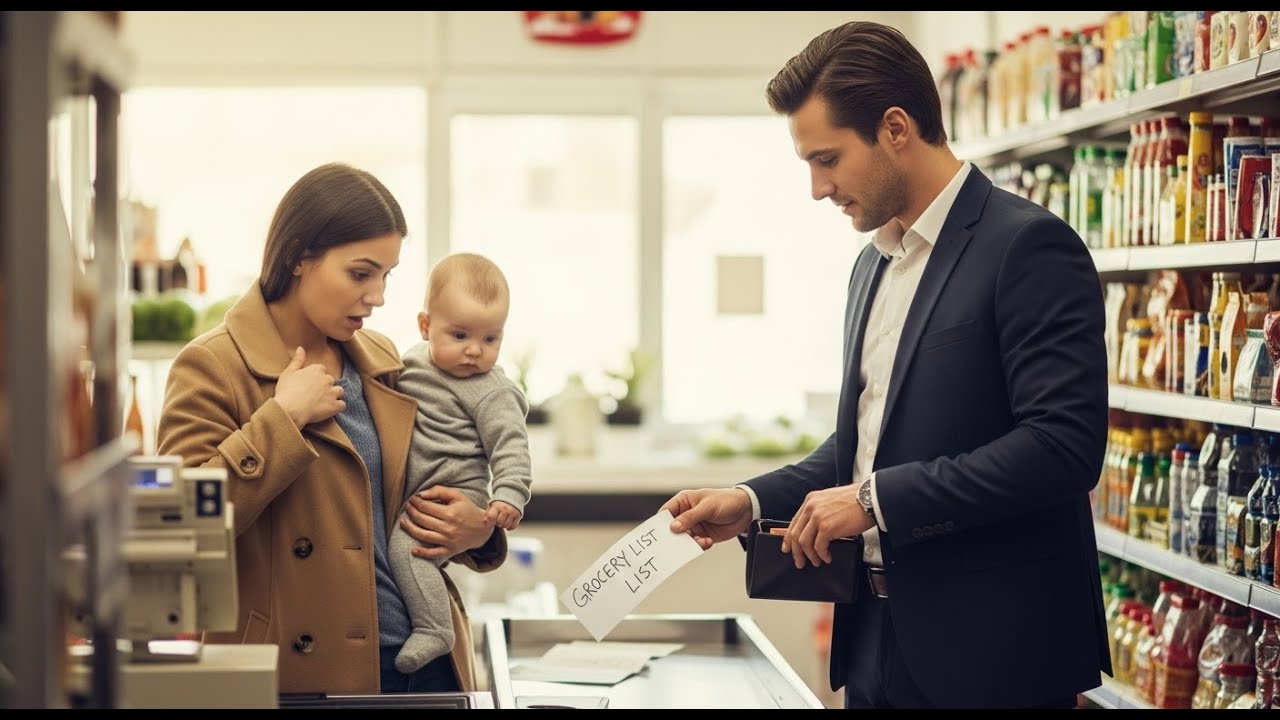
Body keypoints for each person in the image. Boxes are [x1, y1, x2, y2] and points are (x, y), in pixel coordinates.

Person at [660, 21, 1110, 709]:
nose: (817, 188)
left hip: (997, 658)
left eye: (828, 159)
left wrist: (873, 501)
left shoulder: (1028, 247)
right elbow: (869, 442)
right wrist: (751, 501)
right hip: (874, 645)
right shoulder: (873, 264)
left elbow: (1062, 448)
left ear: (895, 128)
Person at [156, 162, 507, 696]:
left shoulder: (389, 360)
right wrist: (282, 418)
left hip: (426, 664)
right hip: (297, 681)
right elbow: (176, 530)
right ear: (300, 257)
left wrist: (477, 529)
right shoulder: (211, 365)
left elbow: (426, 482)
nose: (379, 295)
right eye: (361, 273)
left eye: (386, 275)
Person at [390, 252, 533, 674]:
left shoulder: (491, 391)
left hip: (457, 491)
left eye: (491, 339)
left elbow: (511, 445)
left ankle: (435, 629)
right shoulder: (408, 362)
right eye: (460, 335)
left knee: (407, 550)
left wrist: (508, 495)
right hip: (416, 487)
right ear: (424, 326)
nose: (474, 351)